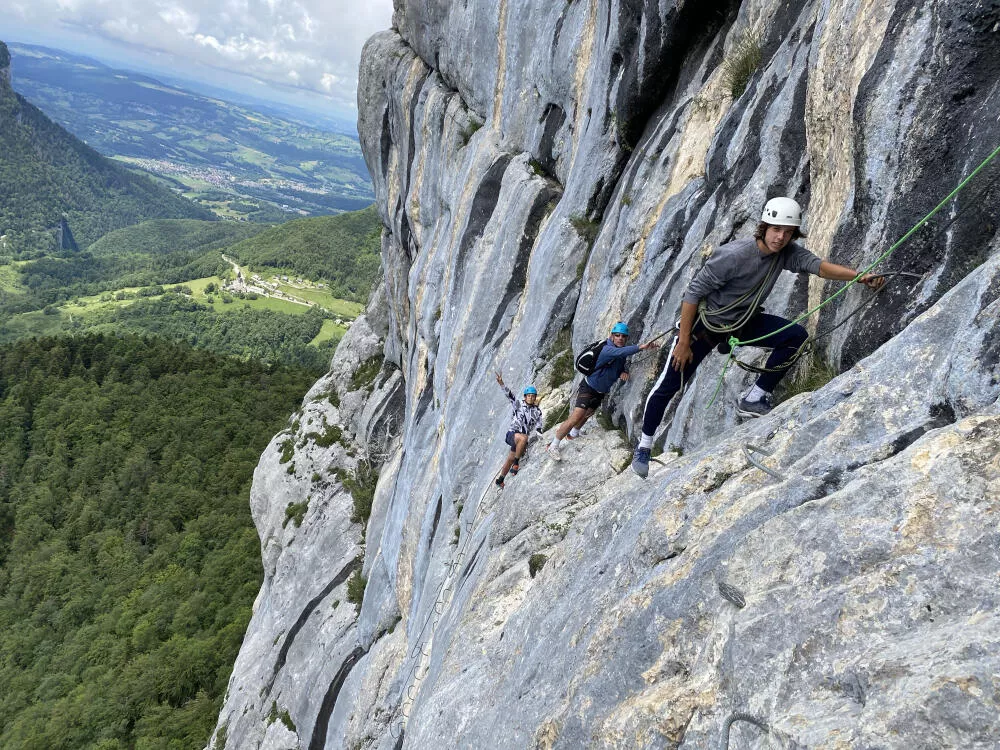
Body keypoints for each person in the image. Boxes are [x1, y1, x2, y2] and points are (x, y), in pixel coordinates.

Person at [631, 197, 885, 478]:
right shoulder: (734, 255)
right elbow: (692, 294)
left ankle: (754, 397)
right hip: (705, 328)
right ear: (764, 227)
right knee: (669, 385)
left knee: (795, 337)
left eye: (788, 232)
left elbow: (819, 266)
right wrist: (682, 342)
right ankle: (644, 446)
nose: (781, 237)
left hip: (741, 325)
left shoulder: (787, 253)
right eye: (776, 229)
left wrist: (858, 277)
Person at [547, 322, 660, 461]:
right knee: (576, 416)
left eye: (623, 336)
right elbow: (620, 353)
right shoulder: (607, 349)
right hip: (589, 387)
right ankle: (554, 445)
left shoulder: (619, 351)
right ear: (612, 336)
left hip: (601, 390)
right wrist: (641, 347)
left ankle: (574, 434)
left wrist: (622, 371)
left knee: (588, 413)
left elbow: (618, 363)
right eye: (617, 335)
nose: (620, 338)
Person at [494, 374, 544, 488]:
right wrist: (502, 383)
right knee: (523, 438)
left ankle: (500, 479)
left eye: (533, 396)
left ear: (535, 397)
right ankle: (516, 464)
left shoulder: (537, 411)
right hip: (512, 434)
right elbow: (509, 395)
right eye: (529, 396)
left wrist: (540, 433)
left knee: (511, 457)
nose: (531, 398)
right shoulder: (519, 405)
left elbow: (539, 425)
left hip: (521, 439)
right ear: (525, 397)